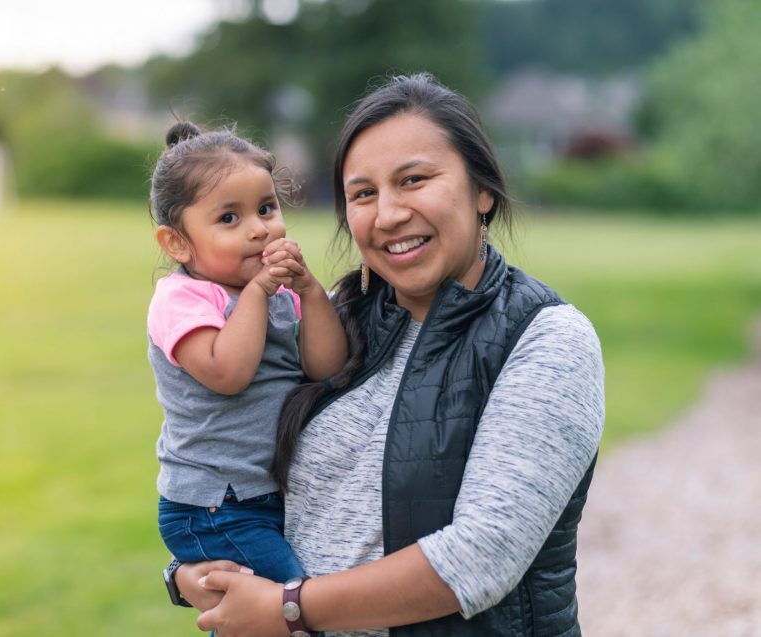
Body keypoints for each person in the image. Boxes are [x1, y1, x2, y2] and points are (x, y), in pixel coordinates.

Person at [171, 73, 605, 636]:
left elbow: (480, 557)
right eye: (363, 193)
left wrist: (289, 607)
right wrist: (186, 570)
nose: (388, 215)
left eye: (414, 180)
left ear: (483, 191)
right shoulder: (332, 319)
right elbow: (227, 457)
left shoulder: (546, 339)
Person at [148, 121, 349, 586]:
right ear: (177, 242)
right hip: (214, 504)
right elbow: (228, 372)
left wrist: (310, 291)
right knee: (289, 602)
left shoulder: (279, 294)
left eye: (266, 208)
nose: (259, 230)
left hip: (263, 497)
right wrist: (260, 290)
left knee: (255, 619)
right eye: (229, 219)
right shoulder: (183, 300)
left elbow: (326, 368)